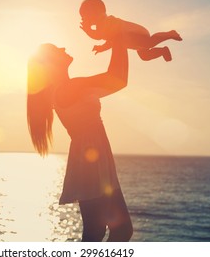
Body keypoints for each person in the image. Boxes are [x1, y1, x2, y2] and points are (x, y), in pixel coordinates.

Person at [27, 41, 133, 242]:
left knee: (98, 232)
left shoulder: (64, 89)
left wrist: (118, 40)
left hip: (91, 157)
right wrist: (118, 35)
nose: (64, 48)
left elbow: (117, 80)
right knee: (114, 231)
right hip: (91, 160)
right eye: (57, 49)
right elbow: (118, 79)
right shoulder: (69, 88)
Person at [80, 0, 182, 61]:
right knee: (145, 56)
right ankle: (163, 51)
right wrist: (102, 48)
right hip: (134, 41)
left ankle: (169, 34)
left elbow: (99, 35)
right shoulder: (103, 27)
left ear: (97, 11)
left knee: (148, 43)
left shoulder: (106, 21)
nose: (84, 18)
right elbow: (110, 41)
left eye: (85, 15)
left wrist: (88, 30)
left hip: (135, 33)